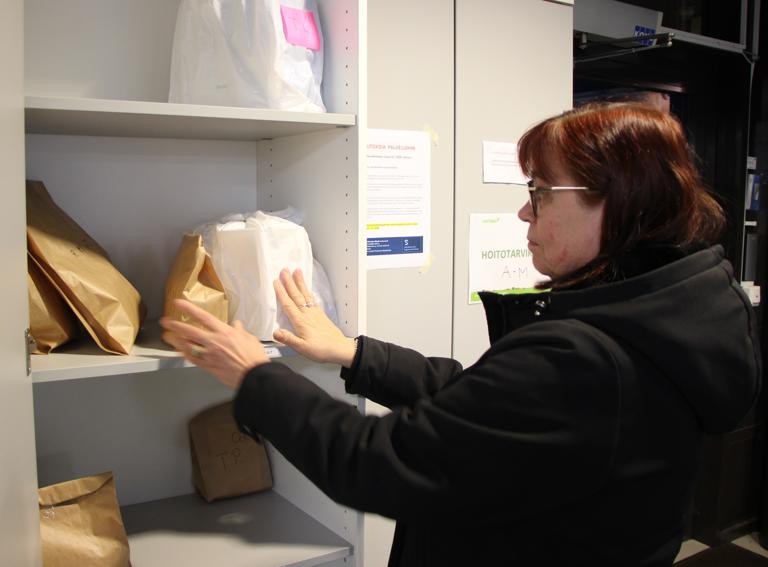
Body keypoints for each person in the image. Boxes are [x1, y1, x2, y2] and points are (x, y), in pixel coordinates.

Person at [160, 102, 761, 567]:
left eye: (539, 192)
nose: (524, 212)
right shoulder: (655, 319)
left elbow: (379, 462)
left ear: (616, 203)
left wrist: (255, 377)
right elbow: (483, 402)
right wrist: (354, 353)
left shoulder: (587, 357)